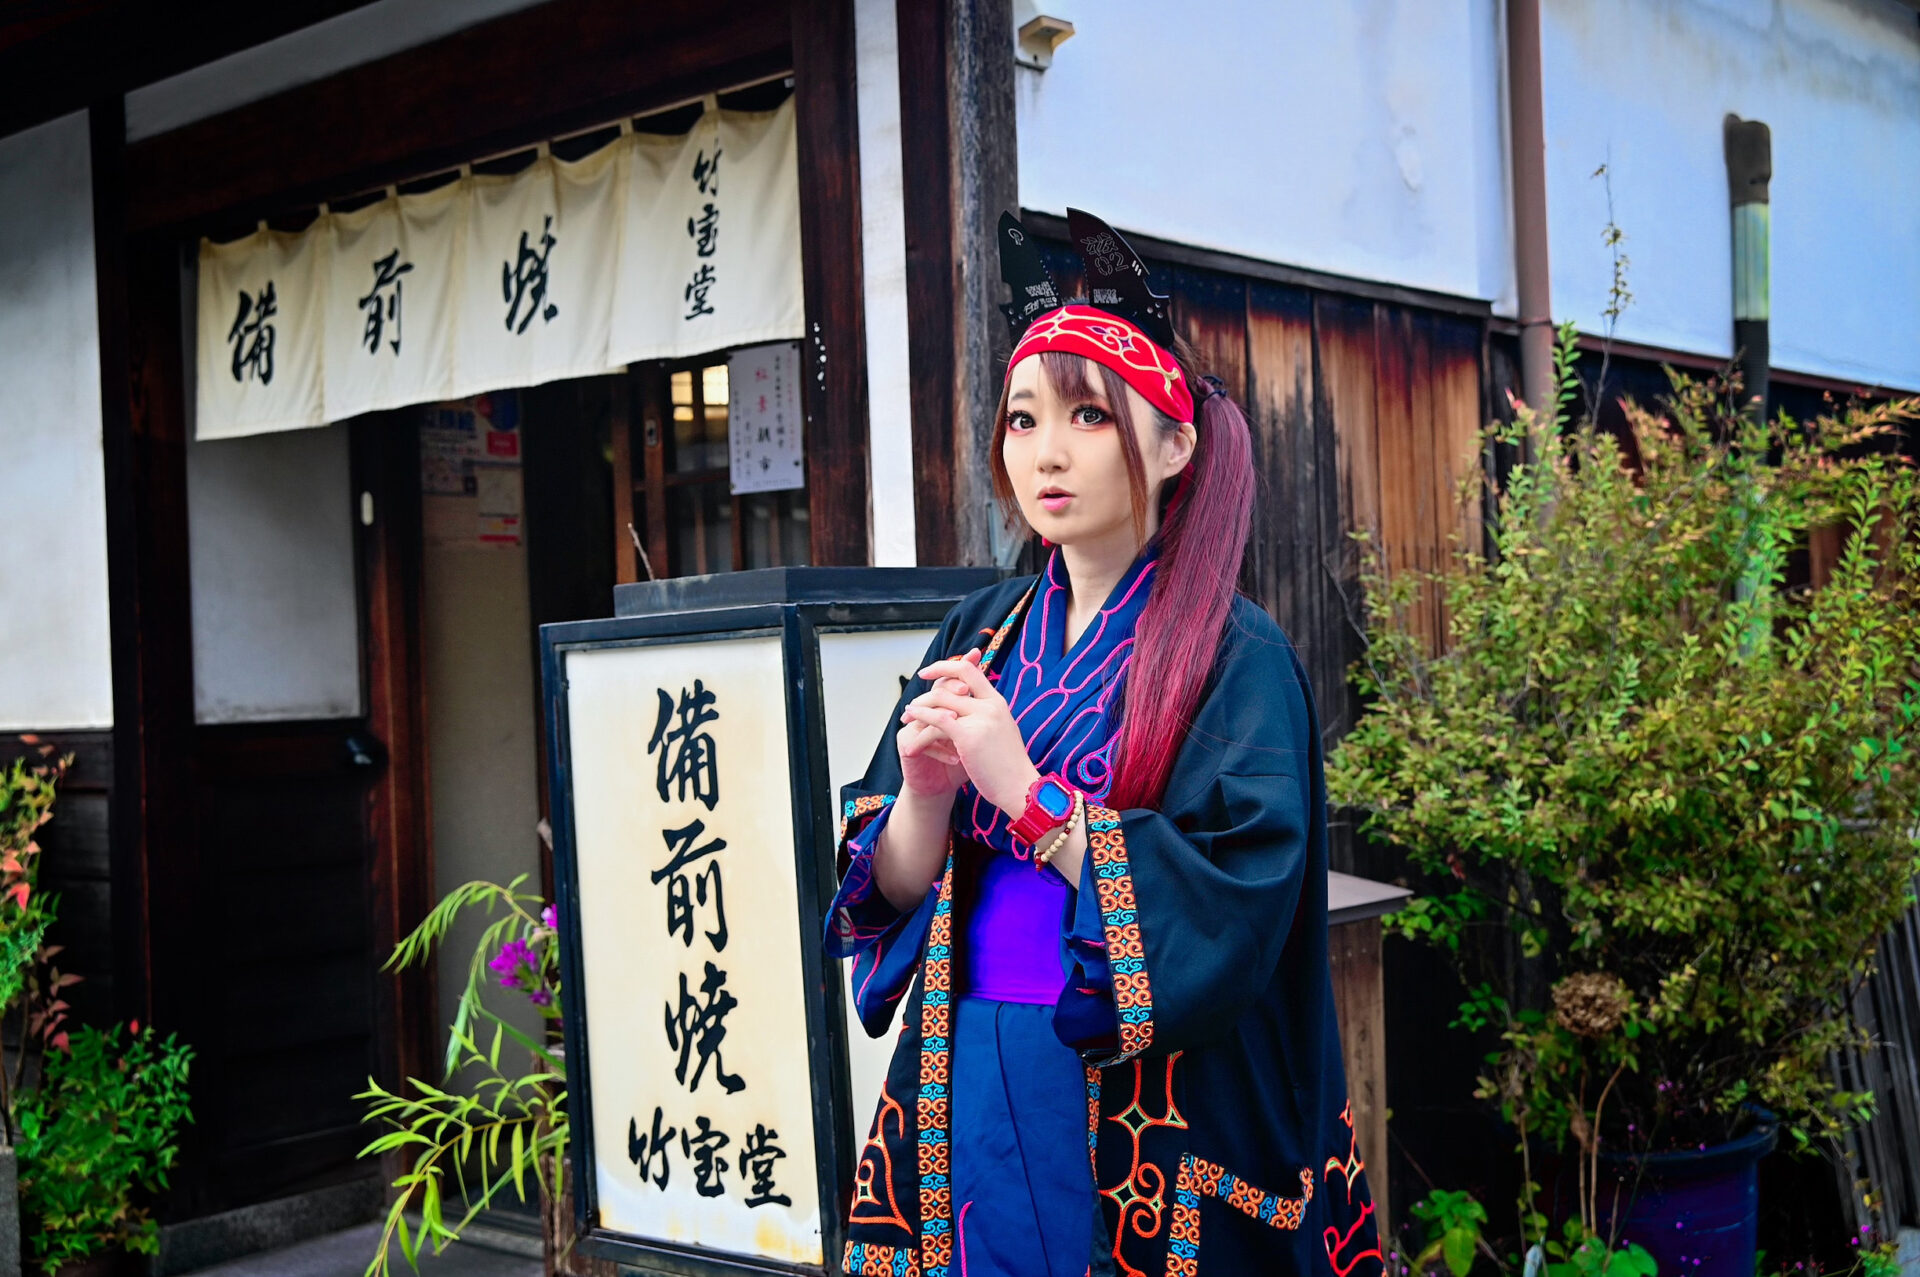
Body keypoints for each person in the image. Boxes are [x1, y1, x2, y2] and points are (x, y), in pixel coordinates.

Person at [827, 209, 1382, 1277]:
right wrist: (927, 796)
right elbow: (882, 888)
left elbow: (1238, 906)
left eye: (1089, 415)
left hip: (1150, 1094)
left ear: (1176, 445)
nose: (1046, 451)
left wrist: (1029, 796)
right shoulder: (979, 628)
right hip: (968, 1063)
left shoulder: (1237, 656)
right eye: (1023, 418)